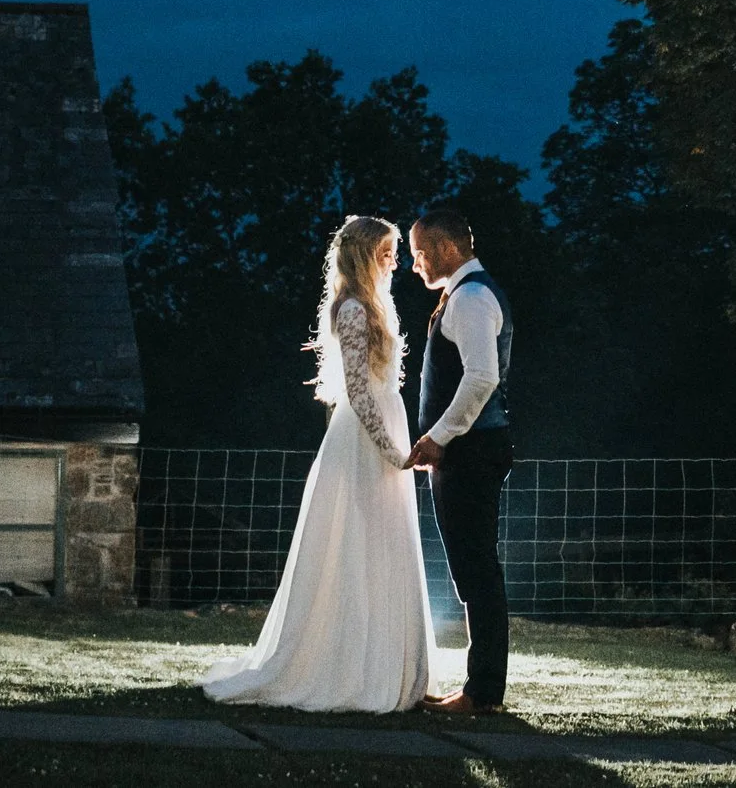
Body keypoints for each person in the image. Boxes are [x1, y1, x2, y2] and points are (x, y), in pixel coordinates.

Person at [200, 215, 435, 711]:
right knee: (354, 546)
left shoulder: (375, 304)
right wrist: (392, 451)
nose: (395, 260)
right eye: (387, 252)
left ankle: (392, 666)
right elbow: (356, 388)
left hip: (386, 425)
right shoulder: (351, 308)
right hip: (363, 441)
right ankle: (349, 667)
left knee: (385, 546)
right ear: (367, 254)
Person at [404, 206, 514, 714]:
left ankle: (482, 694)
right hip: (466, 451)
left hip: (470, 451)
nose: (416, 265)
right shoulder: (466, 293)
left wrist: (440, 437)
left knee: (477, 570)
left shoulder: (471, 297)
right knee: (472, 570)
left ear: (447, 249)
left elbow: (481, 378)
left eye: (420, 254)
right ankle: (478, 689)